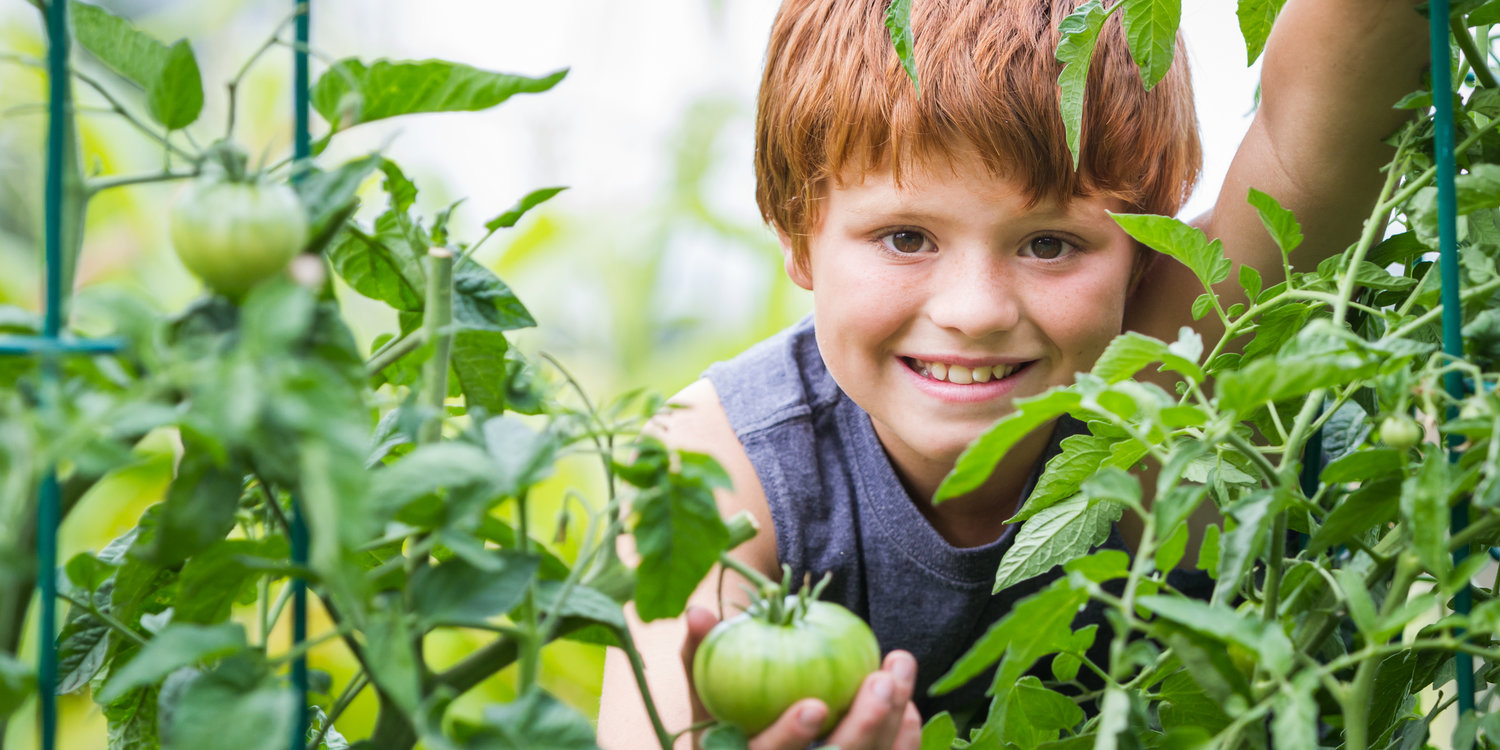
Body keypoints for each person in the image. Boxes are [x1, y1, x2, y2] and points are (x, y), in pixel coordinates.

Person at [599, 0, 1429, 747]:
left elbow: (1312, 138)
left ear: (1144, 255)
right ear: (795, 233)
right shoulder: (721, 461)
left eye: (1049, 244)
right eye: (905, 237)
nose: (976, 310)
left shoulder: (1164, 382)